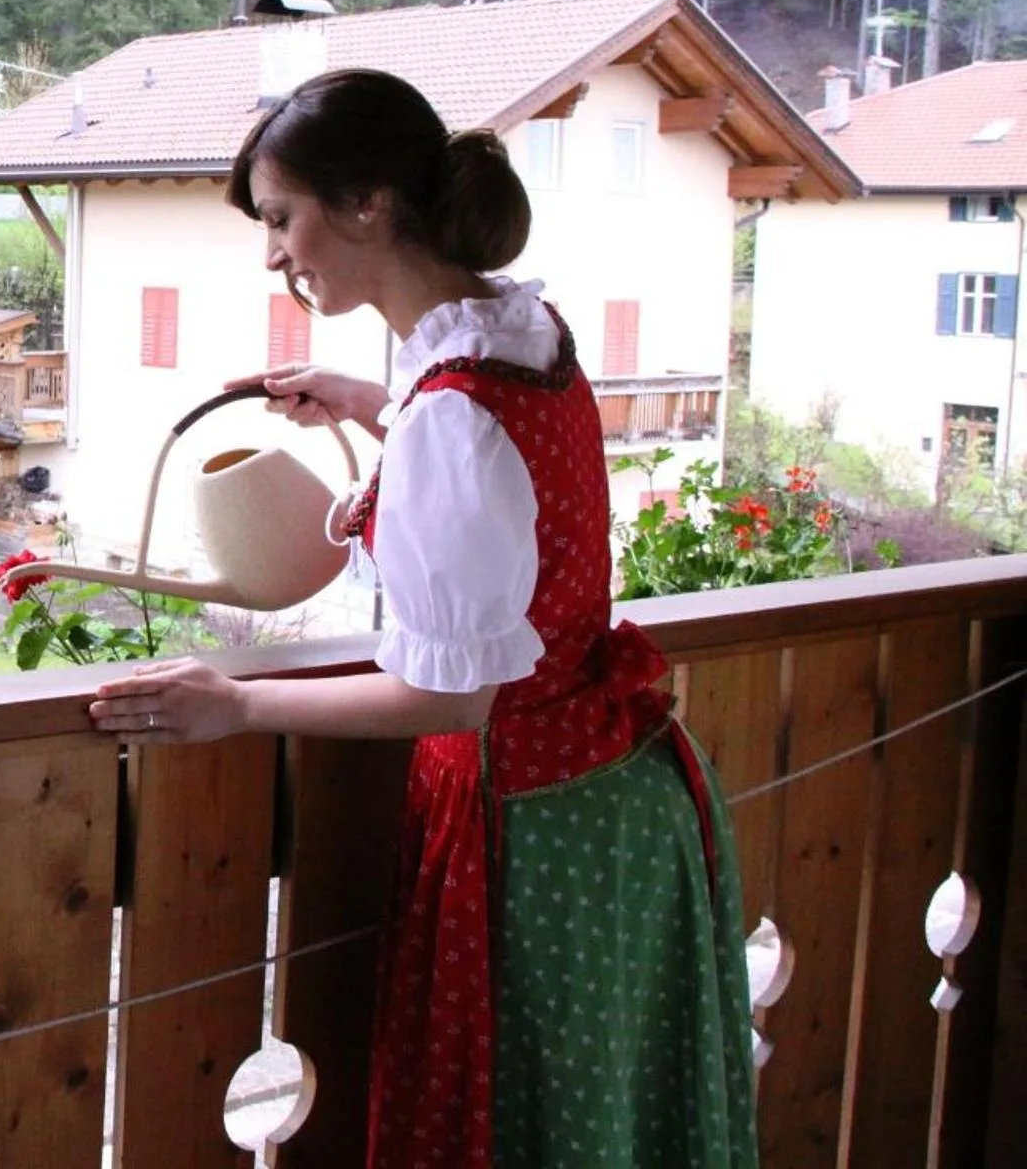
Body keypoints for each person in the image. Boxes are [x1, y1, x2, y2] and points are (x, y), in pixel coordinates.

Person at [87, 68, 757, 1168]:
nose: (274, 254)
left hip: (532, 829)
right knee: (612, 1116)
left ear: (368, 204)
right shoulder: (520, 335)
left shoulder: (454, 412)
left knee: (528, 1124)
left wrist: (238, 703)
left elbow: (451, 693)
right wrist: (371, 402)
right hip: (621, 792)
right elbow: (491, 471)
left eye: (283, 219)